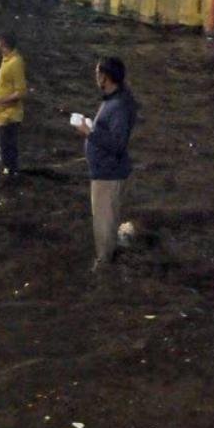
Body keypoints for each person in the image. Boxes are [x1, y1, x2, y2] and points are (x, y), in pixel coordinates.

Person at [76, 56, 138, 270]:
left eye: (97, 74)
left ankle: (103, 271)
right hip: (114, 172)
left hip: (107, 176)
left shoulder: (118, 105)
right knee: (112, 220)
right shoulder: (118, 98)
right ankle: (119, 245)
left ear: (105, 77)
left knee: (103, 228)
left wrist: (89, 133)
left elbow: (117, 144)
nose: (95, 78)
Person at [0, 30, 27, 176]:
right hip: (2, 115)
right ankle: (10, 175)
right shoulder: (6, 59)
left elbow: (20, 91)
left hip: (9, 116)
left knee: (8, 152)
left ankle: (12, 176)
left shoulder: (15, 62)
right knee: (5, 151)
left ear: (2, 43)